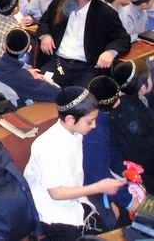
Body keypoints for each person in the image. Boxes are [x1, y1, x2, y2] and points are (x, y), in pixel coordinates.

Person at [24, 86, 124, 240]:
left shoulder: (75, 133)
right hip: (53, 214)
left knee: (111, 223)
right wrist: (99, 187)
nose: (94, 126)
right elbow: (56, 193)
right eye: (90, 122)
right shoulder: (48, 147)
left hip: (75, 200)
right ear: (70, 119)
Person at [38, 0, 131, 88]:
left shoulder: (105, 13)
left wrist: (110, 52)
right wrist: (45, 35)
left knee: (83, 98)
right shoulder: (59, 2)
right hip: (57, 62)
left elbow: (122, 38)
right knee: (40, 88)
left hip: (87, 67)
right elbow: (44, 21)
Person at [83, 76, 137, 230]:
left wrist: (123, 170)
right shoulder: (94, 134)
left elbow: (111, 151)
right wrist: (130, 202)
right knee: (119, 220)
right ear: (116, 101)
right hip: (90, 187)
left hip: (104, 176)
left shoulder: (102, 120)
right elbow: (96, 174)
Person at [0, 28, 59, 107]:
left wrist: (27, 73)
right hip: (9, 112)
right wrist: (50, 82)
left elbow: (12, 77)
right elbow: (57, 94)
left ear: (4, 46)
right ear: (29, 49)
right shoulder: (22, 78)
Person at [110, 60, 154, 190]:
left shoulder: (128, 102)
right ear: (143, 86)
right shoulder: (132, 115)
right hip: (147, 175)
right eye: (150, 77)